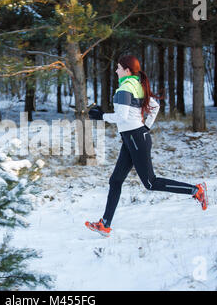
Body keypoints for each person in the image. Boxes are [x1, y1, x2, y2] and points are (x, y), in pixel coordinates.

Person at [86, 54, 208, 238]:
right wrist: (145, 127)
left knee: (150, 183)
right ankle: (105, 224)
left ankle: (195, 190)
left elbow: (122, 117)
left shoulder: (126, 87)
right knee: (115, 180)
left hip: (135, 138)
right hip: (134, 138)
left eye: (118, 67)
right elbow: (155, 106)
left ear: (127, 70)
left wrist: (101, 116)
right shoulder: (137, 84)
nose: (116, 70)